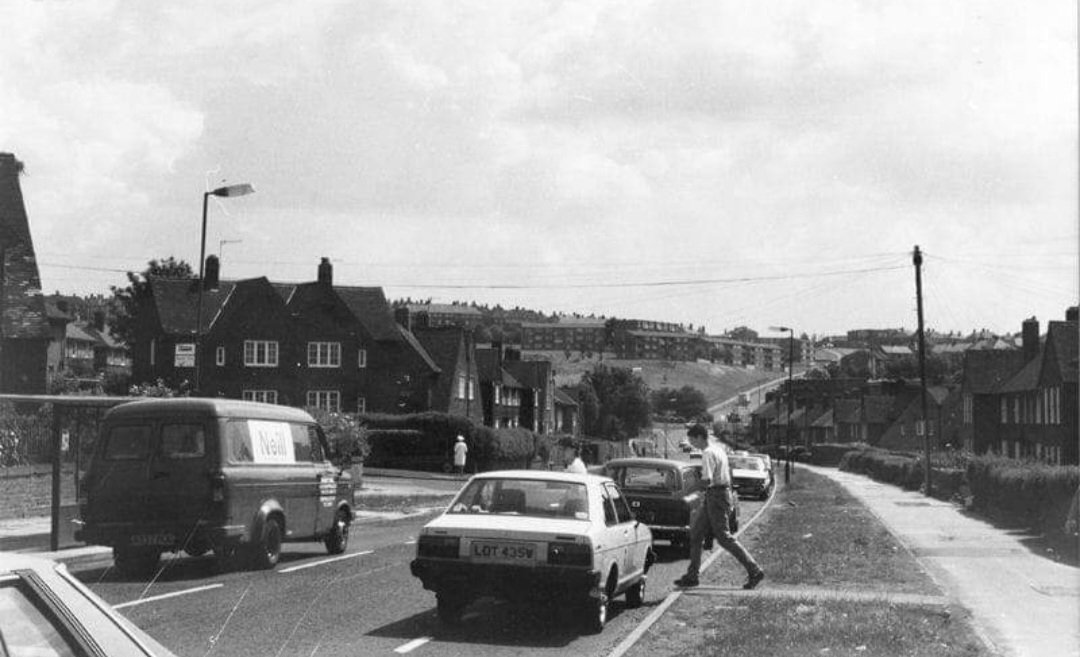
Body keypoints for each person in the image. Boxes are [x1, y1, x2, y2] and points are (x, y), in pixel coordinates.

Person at [675, 430, 764, 590]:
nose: (691, 444)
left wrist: (685, 491)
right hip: (717, 494)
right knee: (696, 534)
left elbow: (706, 480)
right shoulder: (718, 450)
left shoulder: (708, 453)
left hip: (716, 495)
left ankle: (754, 569)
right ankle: (692, 576)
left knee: (724, 537)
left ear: (700, 437)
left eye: (692, 440)